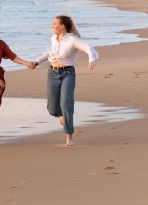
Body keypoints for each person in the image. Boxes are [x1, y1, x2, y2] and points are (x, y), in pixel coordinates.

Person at [32, 15, 98, 146]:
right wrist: (37, 61)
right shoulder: (54, 39)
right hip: (52, 73)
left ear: (62, 26)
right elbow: (49, 54)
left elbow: (88, 48)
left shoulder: (72, 40)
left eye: (54, 23)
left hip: (68, 74)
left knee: (67, 104)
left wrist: (91, 60)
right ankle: (62, 116)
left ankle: (69, 137)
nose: (52, 26)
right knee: (52, 109)